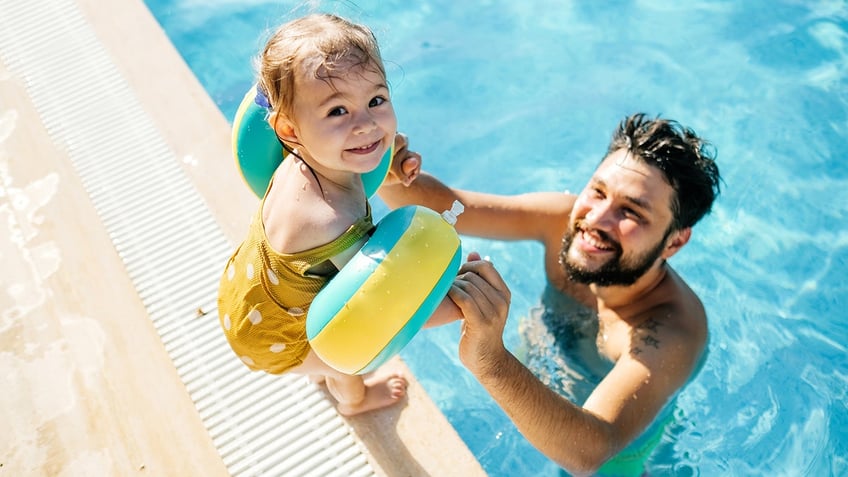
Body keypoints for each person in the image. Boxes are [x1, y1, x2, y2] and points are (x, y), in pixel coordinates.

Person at [382, 113, 721, 475]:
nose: (596, 220)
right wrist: (387, 170)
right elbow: (446, 205)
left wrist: (490, 359)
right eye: (598, 191)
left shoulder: (671, 331)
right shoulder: (563, 220)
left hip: (613, 458)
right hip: (539, 376)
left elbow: (591, 451)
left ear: (675, 241)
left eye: (631, 212)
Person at [216, 13, 453, 417]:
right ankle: (353, 404)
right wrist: (459, 298)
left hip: (245, 297)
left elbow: (359, 166)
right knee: (346, 362)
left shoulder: (299, 162)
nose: (366, 125)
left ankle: (320, 367)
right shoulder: (330, 219)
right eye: (337, 111)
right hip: (276, 338)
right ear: (289, 130)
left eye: (376, 100)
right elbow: (383, 302)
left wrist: (390, 167)